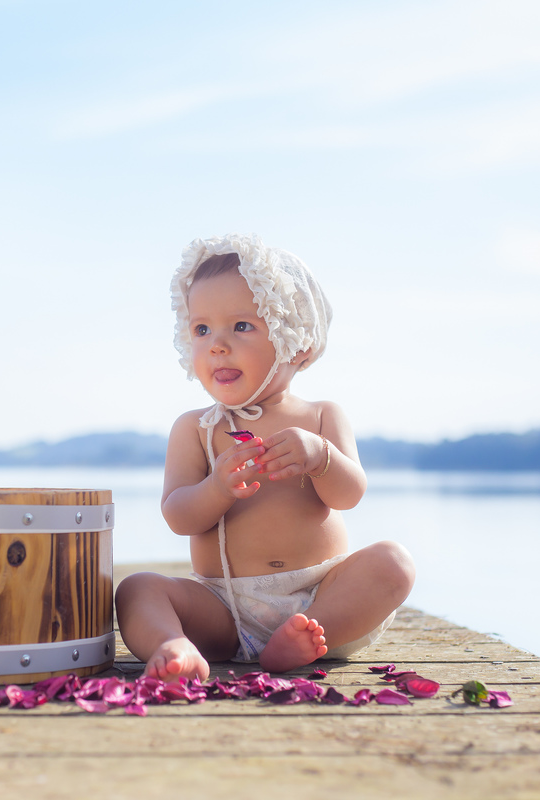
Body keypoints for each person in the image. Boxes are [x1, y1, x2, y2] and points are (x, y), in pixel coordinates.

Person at [115, 233, 415, 681]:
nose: (217, 344)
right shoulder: (196, 429)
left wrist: (321, 458)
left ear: (297, 342)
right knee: (137, 589)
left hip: (321, 596)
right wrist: (216, 488)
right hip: (224, 608)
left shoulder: (321, 416)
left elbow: (350, 494)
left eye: (241, 326)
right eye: (202, 329)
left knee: (394, 563)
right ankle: (173, 646)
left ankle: (304, 639)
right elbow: (179, 517)